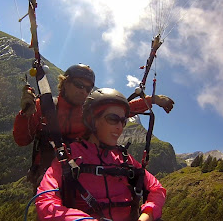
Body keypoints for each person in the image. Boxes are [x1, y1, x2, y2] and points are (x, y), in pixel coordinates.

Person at [13, 63, 174, 188]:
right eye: (79, 85)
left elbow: (124, 108)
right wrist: (25, 115)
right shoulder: (44, 106)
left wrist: (153, 100)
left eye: (88, 88)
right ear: (64, 82)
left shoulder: (89, 112)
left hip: (80, 180)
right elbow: (21, 140)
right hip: (47, 181)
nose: (84, 91)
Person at [35, 88, 166, 221]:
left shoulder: (125, 159)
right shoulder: (68, 157)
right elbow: (45, 203)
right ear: (92, 120)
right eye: (113, 119)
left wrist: (147, 215)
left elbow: (156, 188)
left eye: (123, 121)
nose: (120, 127)